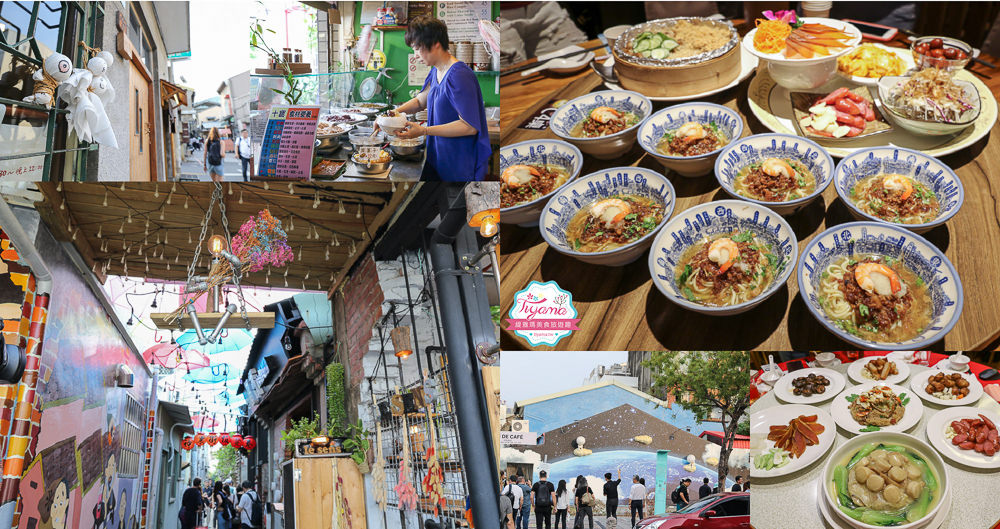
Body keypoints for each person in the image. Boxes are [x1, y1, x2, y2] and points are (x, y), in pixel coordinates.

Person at [392, 16, 491, 181]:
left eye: (417, 48)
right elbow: (420, 101)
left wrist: (423, 131)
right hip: (439, 156)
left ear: (436, 44)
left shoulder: (459, 75)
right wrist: (392, 113)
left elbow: (469, 126)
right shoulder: (436, 70)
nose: (415, 55)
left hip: (458, 163)